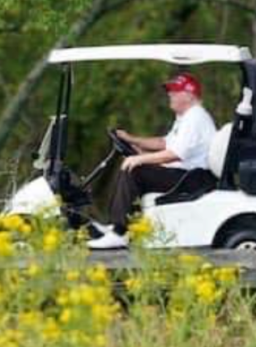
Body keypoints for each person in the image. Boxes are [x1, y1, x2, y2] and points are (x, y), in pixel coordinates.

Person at [88, 72, 217, 249]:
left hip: (192, 178)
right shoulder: (186, 118)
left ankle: (120, 232)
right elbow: (164, 142)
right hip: (185, 174)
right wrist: (132, 140)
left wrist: (141, 159)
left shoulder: (195, 117)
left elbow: (175, 154)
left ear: (188, 95)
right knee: (132, 165)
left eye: (175, 91)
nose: (170, 95)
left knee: (135, 171)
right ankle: (120, 226)